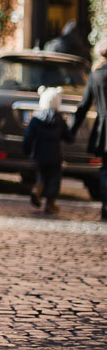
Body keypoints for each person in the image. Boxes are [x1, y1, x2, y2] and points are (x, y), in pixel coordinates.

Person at [71, 38, 107, 221]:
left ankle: (105, 204)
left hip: (104, 128)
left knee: (104, 169)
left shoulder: (96, 75)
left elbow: (84, 106)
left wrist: (72, 130)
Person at [23, 86, 73, 214]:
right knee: (54, 179)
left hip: (40, 153)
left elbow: (29, 136)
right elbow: (68, 137)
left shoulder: (36, 118)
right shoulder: (59, 119)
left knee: (41, 176)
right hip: (55, 154)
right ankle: (50, 204)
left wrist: (27, 150)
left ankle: (37, 191)